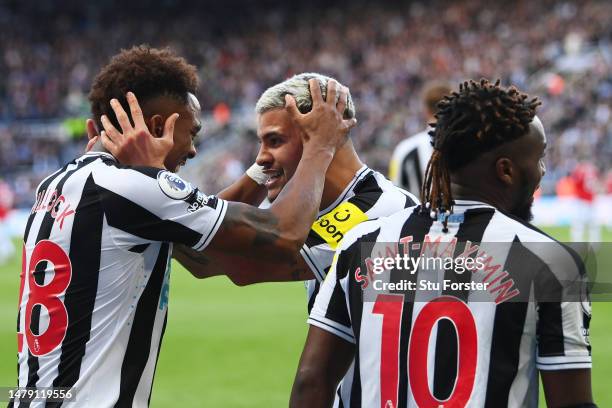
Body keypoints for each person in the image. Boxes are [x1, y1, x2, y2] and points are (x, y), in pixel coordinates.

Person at [12, 46, 354, 407]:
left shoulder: (54, 184)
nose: (193, 150)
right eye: (192, 132)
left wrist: (260, 167)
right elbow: (282, 233)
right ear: (161, 127)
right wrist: (320, 144)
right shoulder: (129, 187)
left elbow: (198, 250)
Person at [102, 72, 419, 407]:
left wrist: (156, 194)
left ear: (320, 138)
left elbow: (242, 263)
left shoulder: (379, 212)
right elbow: (202, 256)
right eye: (261, 143)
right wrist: (259, 171)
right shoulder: (326, 211)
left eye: (275, 141)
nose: (262, 155)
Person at [291, 79, 594, 408]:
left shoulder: (361, 243)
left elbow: (312, 381)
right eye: (538, 159)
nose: (542, 170)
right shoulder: (550, 261)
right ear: (506, 171)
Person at [388, 81, 451, 196]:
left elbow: (395, 190)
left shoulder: (404, 149)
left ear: (426, 111)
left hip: (416, 211)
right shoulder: (470, 145)